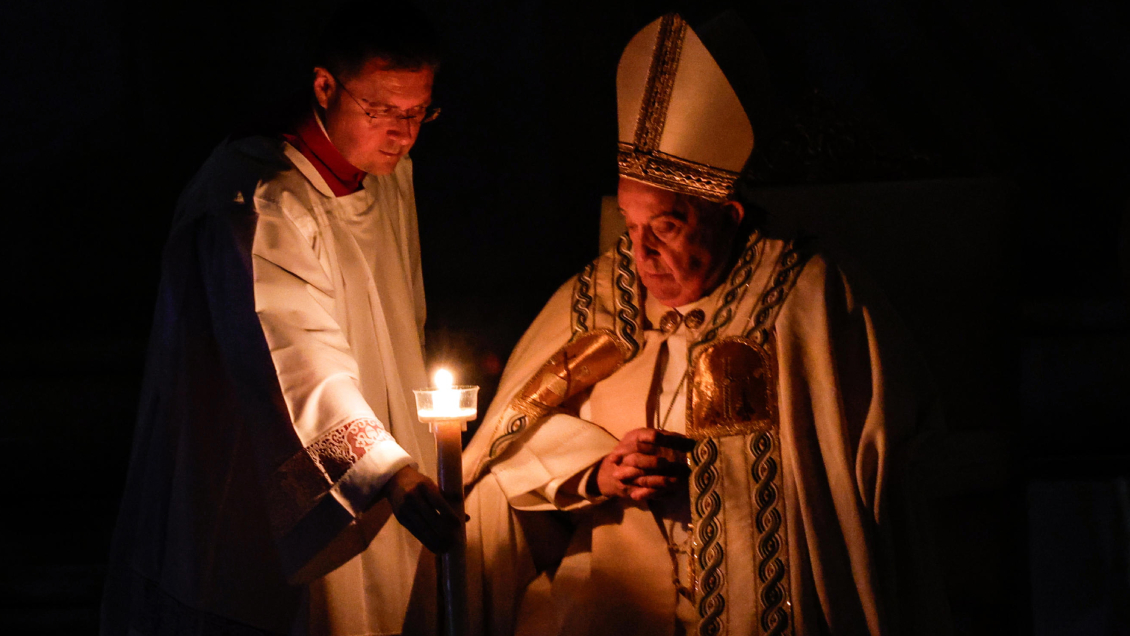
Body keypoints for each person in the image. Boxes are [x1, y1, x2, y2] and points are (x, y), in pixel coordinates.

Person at [458, 13, 951, 636]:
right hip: (613, 602)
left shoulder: (808, 294)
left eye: (665, 226)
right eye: (630, 228)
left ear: (728, 215)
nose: (641, 256)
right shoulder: (600, 296)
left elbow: (883, 467)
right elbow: (507, 450)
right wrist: (596, 468)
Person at [101, 3, 461, 635]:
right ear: (325, 86)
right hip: (265, 480)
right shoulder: (260, 198)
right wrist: (386, 471)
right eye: (381, 110)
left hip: (387, 467)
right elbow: (292, 355)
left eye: (417, 112)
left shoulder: (389, 174)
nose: (403, 135)